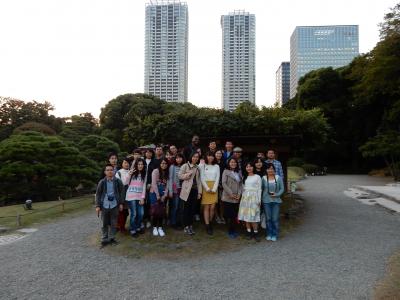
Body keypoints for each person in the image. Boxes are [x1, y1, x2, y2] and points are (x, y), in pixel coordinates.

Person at [95, 164, 124, 246]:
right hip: (104, 205)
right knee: (104, 223)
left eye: (111, 170)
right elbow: (98, 194)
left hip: (115, 205)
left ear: (114, 171)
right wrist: (97, 205)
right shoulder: (102, 182)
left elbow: (122, 192)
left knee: (113, 223)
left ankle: (112, 238)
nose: (109, 171)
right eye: (107, 170)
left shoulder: (118, 181)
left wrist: (121, 203)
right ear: (105, 172)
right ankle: (104, 238)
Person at [178, 152, 202, 235]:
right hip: (186, 190)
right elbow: (179, 175)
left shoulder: (198, 168)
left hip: (195, 190)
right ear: (191, 157)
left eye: (197, 157)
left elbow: (199, 181)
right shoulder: (185, 165)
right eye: (194, 156)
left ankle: (190, 225)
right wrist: (187, 175)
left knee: (192, 209)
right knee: (186, 209)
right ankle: (186, 226)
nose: (195, 158)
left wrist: (199, 192)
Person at [238, 162, 262, 242]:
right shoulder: (244, 177)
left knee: (253, 216)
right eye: (247, 167)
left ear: (253, 167)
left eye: (250, 166)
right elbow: (242, 188)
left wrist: (259, 200)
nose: (249, 168)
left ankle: (256, 233)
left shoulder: (257, 177)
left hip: (254, 198)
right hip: (245, 198)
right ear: (245, 168)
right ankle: (248, 232)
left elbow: (259, 189)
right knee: (246, 217)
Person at [262, 163, 285, 242]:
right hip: (266, 201)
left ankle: (274, 234)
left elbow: (282, 189)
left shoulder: (278, 178)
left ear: (274, 170)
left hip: (276, 201)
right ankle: (269, 234)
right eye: (268, 169)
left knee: (274, 219)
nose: (270, 170)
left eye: (272, 168)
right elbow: (261, 189)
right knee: (268, 219)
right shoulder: (264, 178)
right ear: (266, 170)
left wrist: (277, 194)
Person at [125, 158, 147, 237]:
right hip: (131, 196)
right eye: (139, 164)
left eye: (142, 164)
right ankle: (133, 230)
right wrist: (129, 174)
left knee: (141, 213)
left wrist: (142, 197)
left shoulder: (144, 174)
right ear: (136, 165)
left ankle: (138, 227)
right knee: (134, 214)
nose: (140, 166)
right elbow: (125, 182)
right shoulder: (132, 173)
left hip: (139, 196)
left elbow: (144, 186)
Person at [200, 152, 220, 235]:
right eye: (208, 156)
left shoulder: (216, 166)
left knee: (212, 207)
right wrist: (207, 188)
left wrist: (214, 188)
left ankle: (211, 221)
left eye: (211, 156)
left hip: (214, 187)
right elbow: (202, 177)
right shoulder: (203, 165)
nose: (210, 157)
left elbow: (218, 177)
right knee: (206, 207)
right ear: (206, 157)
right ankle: (207, 225)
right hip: (205, 187)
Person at [221, 158, 242, 238]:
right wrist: (231, 193)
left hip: (236, 197)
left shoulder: (238, 173)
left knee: (234, 215)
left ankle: (233, 229)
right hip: (228, 197)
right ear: (229, 163)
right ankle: (230, 231)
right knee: (229, 215)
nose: (233, 163)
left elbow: (240, 185)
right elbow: (223, 183)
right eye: (231, 162)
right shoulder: (225, 171)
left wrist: (239, 194)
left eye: (235, 162)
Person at [149, 158, 169, 237]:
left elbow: (167, 185)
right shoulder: (155, 171)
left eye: (165, 163)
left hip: (163, 193)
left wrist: (164, 195)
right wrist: (157, 196)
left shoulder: (167, 172)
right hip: (154, 193)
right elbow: (154, 184)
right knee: (155, 211)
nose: (163, 165)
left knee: (161, 211)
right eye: (162, 163)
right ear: (159, 164)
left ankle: (160, 227)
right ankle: (154, 227)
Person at [168, 153, 185, 228]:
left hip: (183, 189)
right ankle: (173, 222)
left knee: (181, 207)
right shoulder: (172, 167)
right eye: (177, 158)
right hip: (175, 190)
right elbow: (170, 179)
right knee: (175, 206)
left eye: (180, 158)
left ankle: (180, 221)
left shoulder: (184, 166)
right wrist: (171, 191)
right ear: (175, 159)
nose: (179, 159)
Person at [115, 158, 131, 233]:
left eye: (128, 163)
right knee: (122, 211)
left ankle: (121, 225)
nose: (126, 164)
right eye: (125, 162)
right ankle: (121, 227)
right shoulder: (118, 173)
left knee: (126, 212)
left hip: (130, 193)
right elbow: (123, 184)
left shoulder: (131, 171)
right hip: (122, 193)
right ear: (122, 164)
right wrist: (129, 175)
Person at [214, 149, 226, 224]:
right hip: (214, 184)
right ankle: (216, 216)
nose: (219, 155)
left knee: (221, 201)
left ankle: (222, 216)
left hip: (222, 184)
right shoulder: (213, 163)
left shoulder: (224, 163)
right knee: (215, 201)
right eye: (217, 153)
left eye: (220, 153)